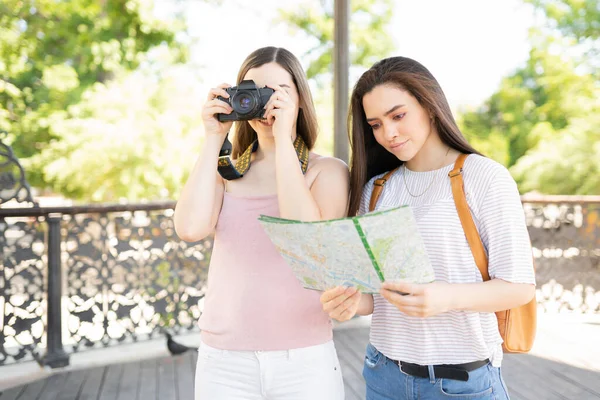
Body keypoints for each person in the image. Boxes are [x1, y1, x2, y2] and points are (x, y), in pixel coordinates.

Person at [320, 56, 536, 400]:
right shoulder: (376, 189)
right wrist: (350, 303)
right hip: (383, 377)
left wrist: (447, 297)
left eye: (398, 115)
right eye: (375, 124)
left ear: (430, 106)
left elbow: (520, 287)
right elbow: (377, 296)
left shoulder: (484, 177)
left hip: (464, 384)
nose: (388, 133)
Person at [174, 46, 349, 400]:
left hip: (304, 359)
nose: (264, 101)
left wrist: (283, 140)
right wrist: (212, 137)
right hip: (223, 361)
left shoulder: (326, 171)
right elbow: (189, 228)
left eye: (278, 91)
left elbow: (309, 242)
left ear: (300, 99)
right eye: (252, 89)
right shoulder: (228, 172)